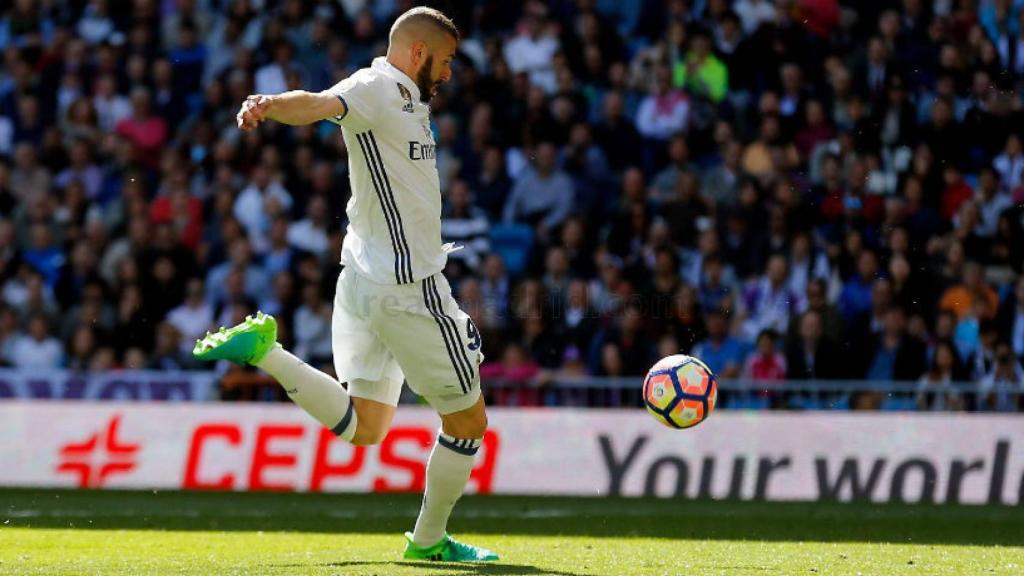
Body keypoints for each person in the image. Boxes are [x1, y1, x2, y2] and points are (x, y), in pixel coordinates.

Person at [192, 8, 497, 563]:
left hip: (362, 279)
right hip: (408, 288)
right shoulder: (377, 86)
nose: (449, 72)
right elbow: (320, 103)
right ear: (418, 52)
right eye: (446, 60)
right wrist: (270, 103)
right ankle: (428, 542)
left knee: (366, 426)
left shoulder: (407, 98)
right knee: (468, 421)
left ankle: (265, 352)